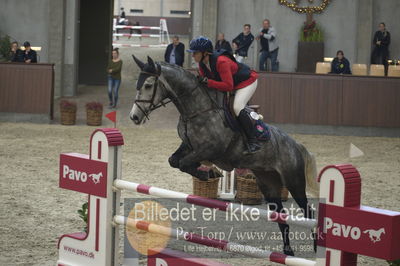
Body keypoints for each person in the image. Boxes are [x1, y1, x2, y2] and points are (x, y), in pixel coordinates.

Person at [187, 36, 261, 154]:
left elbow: (228, 86)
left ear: (205, 53)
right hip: (233, 84)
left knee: (237, 107)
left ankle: (254, 141)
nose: (192, 55)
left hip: (247, 82)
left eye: (195, 53)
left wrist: (208, 82)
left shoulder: (221, 62)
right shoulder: (202, 64)